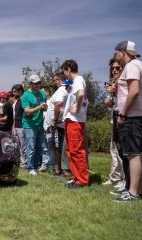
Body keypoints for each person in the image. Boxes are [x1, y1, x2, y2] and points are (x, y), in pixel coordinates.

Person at [113, 40, 142, 202]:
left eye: (115, 53)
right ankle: (137, 190)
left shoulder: (131, 66)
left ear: (123, 52)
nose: (115, 56)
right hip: (137, 115)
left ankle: (132, 192)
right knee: (138, 154)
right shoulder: (138, 64)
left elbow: (134, 90)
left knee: (133, 154)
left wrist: (123, 113)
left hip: (132, 116)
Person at [61, 60, 89, 188]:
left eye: (64, 71)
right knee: (70, 150)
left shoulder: (78, 79)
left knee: (76, 150)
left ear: (68, 68)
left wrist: (77, 109)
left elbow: (81, 94)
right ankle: (76, 177)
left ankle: (82, 180)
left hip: (75, 121)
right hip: (71, 120)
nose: (64, 74)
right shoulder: (76, 82)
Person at [103, 59, 126, 189]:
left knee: (123, 150)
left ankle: (124, 178)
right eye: (112, 68)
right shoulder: (114, 83)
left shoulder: (126, 82)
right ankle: (115, 176)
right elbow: (109, 102)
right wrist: (110, 95)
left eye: (117, 68)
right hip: (115, 118)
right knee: (114, 150)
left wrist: (114, 92)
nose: (114, 70)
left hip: (123, 119)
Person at [22, 75, 50, 175]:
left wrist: (44, 107)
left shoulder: (42, 94)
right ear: (30, 84)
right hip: (29, 125)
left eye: (39, 83)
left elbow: (44, 109)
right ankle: (30, 168)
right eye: (35, 83)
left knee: (40, 147)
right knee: (31, 147)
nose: (38, 85)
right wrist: (39, 107)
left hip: (40, 124)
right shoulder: (25, 96)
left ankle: (35, 166)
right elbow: (27, 112)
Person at [11, 84, 26, 168]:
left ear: (19, 91)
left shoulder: (24, 99)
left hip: (22, 126)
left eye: (14, 91)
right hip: (16, 125)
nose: (13, 93)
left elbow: (25, 113)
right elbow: (15, 115)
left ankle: (24, 162)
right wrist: (13, 126)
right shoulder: (17, 101)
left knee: (23, 145)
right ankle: (20, 161)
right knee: (18, 145)